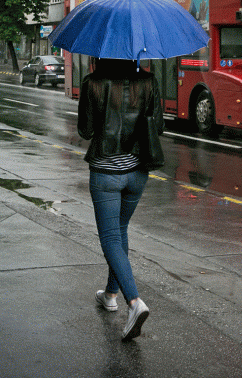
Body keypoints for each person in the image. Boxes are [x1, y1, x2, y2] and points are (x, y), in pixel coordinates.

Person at [77, 58, 164, 341]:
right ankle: (111, 294)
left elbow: (86, 131)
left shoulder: (93, 83)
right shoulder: (149, 82)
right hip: (137, 172)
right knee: (120, 230)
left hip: (106, 174)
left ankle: (134, 302)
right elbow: (158, 127)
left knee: (111, 238)